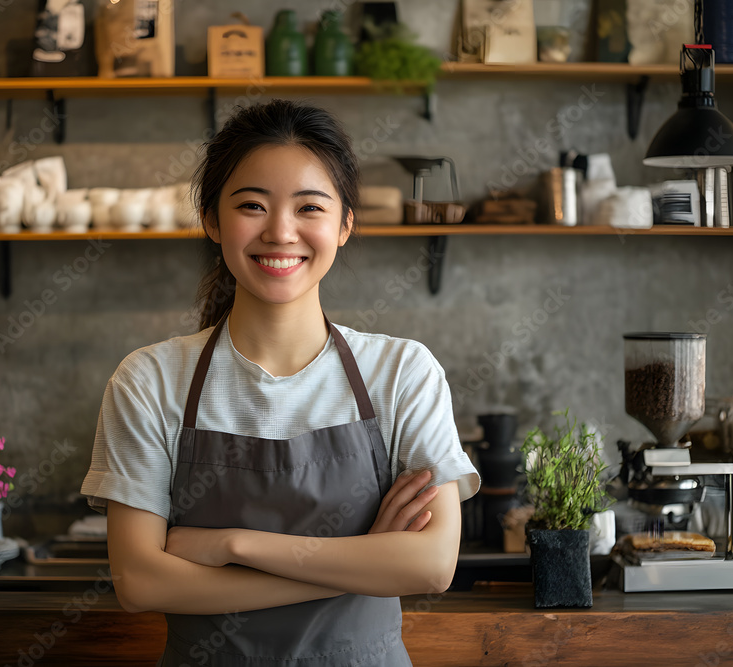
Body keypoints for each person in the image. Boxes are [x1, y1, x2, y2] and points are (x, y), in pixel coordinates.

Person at [81, 99, 480, 666]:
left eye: (309, 207)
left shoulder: (402, 374)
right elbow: (140, 582)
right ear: (212, 220)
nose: (280, 231)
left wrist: (234, 546)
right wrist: (362, 561)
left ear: (344, 225)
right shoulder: (149, 381)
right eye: (252, 205)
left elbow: (433, 566)